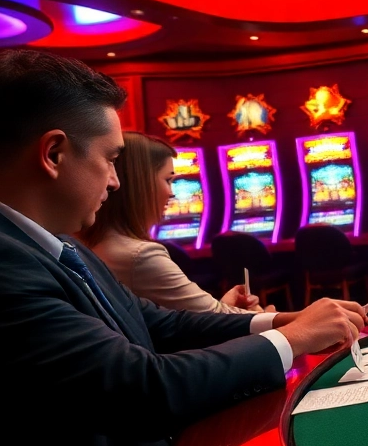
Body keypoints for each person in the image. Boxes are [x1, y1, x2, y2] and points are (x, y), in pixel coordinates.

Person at [0, 50, 368, 446]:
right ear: (53, 154)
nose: (117, 181)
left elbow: (155, 324)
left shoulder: (50, 238)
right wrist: (293, 340)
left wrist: (279, 319)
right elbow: (138, 387)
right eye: (111, 158)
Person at [79, 131, 265, 313]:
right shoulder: (140, 256)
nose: (172, 193)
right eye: (168, 180)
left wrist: (226, 308)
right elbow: (217, 318)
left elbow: (205, 317)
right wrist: (266, 316)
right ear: (142, 185)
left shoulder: (91, 244)